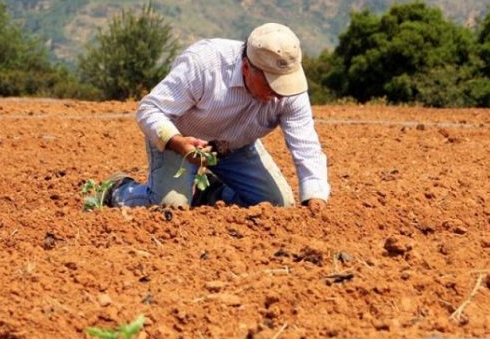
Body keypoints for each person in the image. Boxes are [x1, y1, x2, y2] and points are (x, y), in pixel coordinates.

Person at [106, 22, 329, 211]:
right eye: (271, 83)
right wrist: (177, 142)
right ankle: (119, 190)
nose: (279, 92)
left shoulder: (290, 89)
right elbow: (150, 109)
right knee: (170, 206)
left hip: (235, 146)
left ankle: (211, 192)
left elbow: (306, 145)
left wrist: (315, 197)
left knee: (278, 205)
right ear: (246, 68)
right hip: (181, 142)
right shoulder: (204, 64)